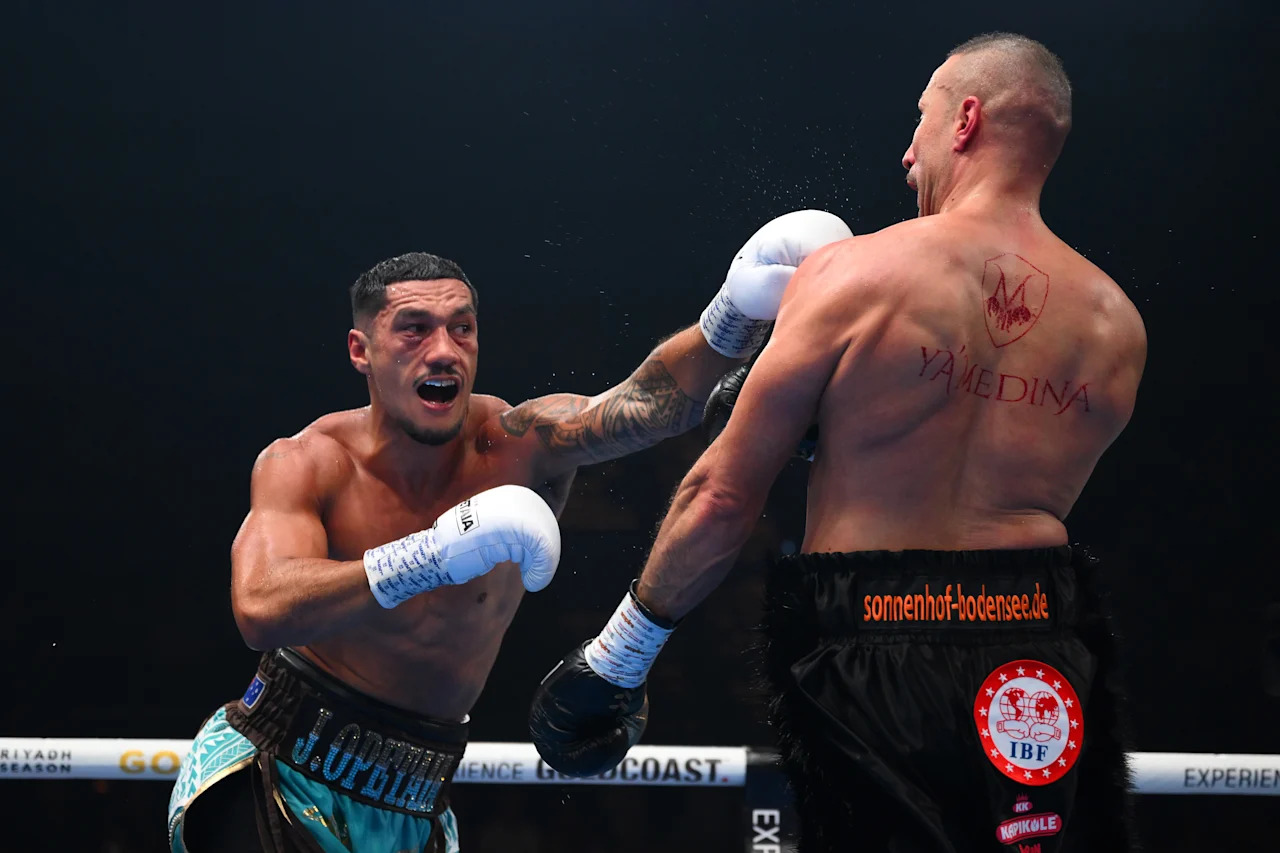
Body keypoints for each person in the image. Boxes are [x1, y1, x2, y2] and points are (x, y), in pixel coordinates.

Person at [530, 32, 1147, 852]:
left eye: (920, 119)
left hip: (873, 634)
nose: (907, 153)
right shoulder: (1115, 327)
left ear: (965, 120)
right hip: (1040, 646)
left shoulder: (855, 275)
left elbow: (721, 496)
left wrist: (619, 657)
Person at [167, 208, 854, 852]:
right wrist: (429, 555)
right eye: (413, 329)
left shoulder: (517, 443)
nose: (444, 350)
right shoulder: (308, 462)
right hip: (281, 772)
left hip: (416, 801)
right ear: (361, 350)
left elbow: (645, 407)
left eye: (462, 328)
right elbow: (261, 607)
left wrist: (730, 316)